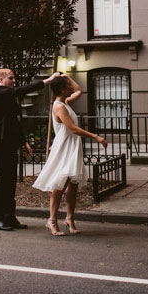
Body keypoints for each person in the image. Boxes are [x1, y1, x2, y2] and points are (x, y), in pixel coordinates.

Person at [33, 74, 107, 236]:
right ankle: (52, 220)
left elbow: (79, 90)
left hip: (73, 147)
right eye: (67, 85)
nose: (70, 88)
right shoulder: (59, 106)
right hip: (64, 147)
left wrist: (66, 76)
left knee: (73, 184)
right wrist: (96, 136)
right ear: (61, 89)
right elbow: (73, 129)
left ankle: (70, 218)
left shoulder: (65, 103)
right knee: (60, 184)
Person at [0, 68, 61, 231]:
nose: (14, 81)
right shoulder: (0, 92)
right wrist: (47, 81)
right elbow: (22, 90)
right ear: (1, 80)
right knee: (1, 183)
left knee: (10, 184)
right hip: (0, 144)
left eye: (14, 78)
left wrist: (24, 142)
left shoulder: (7, 96)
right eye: (11, 78)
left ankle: (9, 217)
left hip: (9, 143)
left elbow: (14, 122)